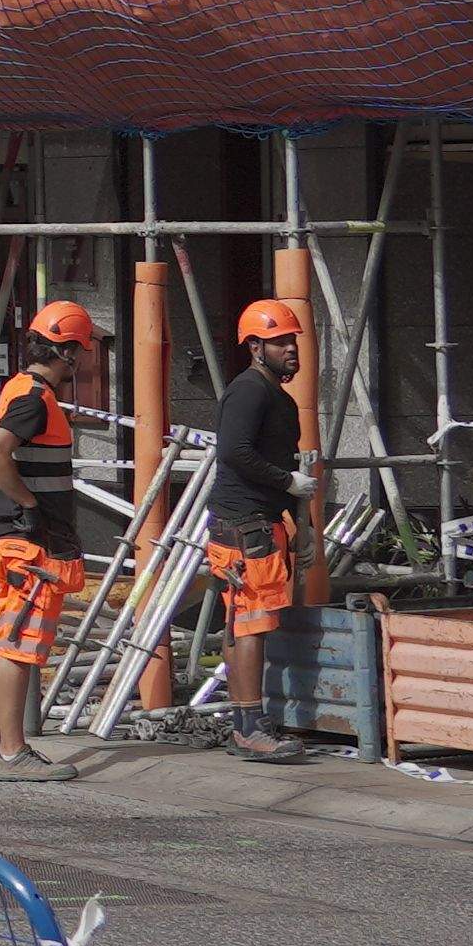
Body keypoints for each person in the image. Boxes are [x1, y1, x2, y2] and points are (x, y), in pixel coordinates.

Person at [0, 300, 102, 779]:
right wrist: (29, 504)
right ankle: (13, 753)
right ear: (66, 351)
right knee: (19, 645)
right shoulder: (35, 399)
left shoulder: (19, 387)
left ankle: (1, 742)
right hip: (31, 542)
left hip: (19, 541)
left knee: (9, 641)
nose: (81, 361)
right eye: (80, 351)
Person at [210, 296, 320, 763]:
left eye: (292, 340)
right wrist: (286, 482)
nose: (290, 349)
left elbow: (280, 461)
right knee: (250, 624)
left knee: (244, 623)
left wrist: (302, 525)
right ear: (255, 347)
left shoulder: (276, 397)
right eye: (279, 342)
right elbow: (235, 451)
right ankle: (250, 727)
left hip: (257, 522)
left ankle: (245, 723)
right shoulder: (249, 391)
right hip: (244, 526)